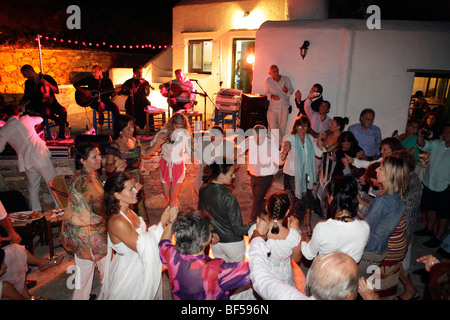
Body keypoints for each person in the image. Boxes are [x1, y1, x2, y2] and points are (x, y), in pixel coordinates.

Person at [99, 172, 177, 300]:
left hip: (140, 263)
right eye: (131, 189)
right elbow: (144, 246)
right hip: (128, 271)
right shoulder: (118, 222)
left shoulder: (130, 212)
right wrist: (164, 223)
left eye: (135, 187)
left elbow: (144, 238)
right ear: (117, 195)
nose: (136, 191)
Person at [248, 218, 360, 300]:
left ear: (309, 282)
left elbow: (261, 280)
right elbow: (296, 258)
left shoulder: (289, 297)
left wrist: (257, 238)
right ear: (349, 296)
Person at [159, 208, 251, 300]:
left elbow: (163, 242)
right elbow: (255, 270)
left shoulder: (172, 256)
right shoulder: (217, 269)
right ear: (204, 241)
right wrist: (257, 238)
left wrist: (171, 221)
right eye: (210, 230)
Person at [59, 143, 107, 300]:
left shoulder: (86, 175)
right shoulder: (87, 180)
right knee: (107, 275)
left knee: (85, 278)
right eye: (94, 156)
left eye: (99, 155)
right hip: (90, 236)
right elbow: (100, 206)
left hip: (82, 234)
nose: (99, 158)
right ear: (82, 160)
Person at [233, 192, 302, 300]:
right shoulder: (293, 236)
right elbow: (297, 258)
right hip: (283, 280)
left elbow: (253, 252)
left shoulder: (256, 230)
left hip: (262, 273)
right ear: (287, 212)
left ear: (266, 208)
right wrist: (296, 230)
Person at [104, 114, 167, 224]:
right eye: (128, 128)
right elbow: (108, 168)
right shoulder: (114, 147)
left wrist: (157, 144)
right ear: (120, 129)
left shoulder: (135, 142)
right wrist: (115, 165)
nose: (131, 130)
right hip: (123, 183)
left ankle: (143, 229)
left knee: (140, 207)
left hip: (136, 180)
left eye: (132, 127)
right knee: (125, 209)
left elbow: (146, 153)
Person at [0, 104, 58, 211]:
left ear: (6, 115)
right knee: (53, 184)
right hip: (39, 155)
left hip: (26, 161)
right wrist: (24, 114)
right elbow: (40, 119)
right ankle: (60, 210)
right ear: (18, 112)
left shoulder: (4, 130)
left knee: (33, 189)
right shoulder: (26, 119)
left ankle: (36, 215)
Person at [358, 157, 410, 279]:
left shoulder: (383, 200)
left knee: (359, 283)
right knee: (369, 280)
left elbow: (365, 226)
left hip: (370, 250)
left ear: (389, 175)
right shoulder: (397, 195)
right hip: (380, 249)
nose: (376, 169)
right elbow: (378, 217)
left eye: (380, 168)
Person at [301, 175, 370, 263]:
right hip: (348, 275)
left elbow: (308, 254)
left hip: (326, 273)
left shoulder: (322, 228)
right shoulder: (365, 228)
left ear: (331, 199)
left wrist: (300, 235)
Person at [198, 160, 251, 262]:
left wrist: (211, 234)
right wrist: (255, 226)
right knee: (236, 274)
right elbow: (238, 229)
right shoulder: (229, 198)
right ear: (221, 175)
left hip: (215, 243)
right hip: (233, 244)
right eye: (231, 174)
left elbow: (202, 216)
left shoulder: (203, 189)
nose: (234, 176)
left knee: (222, 274)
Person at [281, 115, 325, 236]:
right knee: (293, 201)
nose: (302, 128)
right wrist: (285, 148)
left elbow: (319, 154)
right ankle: (290, 224)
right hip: (291, 174)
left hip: (306, 175)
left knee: (307, 200)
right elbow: (286, 145)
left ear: (308, 127)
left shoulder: (309, 138)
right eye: (300, 125)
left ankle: (306, 224)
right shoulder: (290, 138)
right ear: (296, 126)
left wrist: (320, 140)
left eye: (305, 126)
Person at [391, 150, 423, 300]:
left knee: (399, 263)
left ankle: (411, 290)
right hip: (402, 228)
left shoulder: (412, 184)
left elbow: (401, 208)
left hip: (403, 230)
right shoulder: (407, 179)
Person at [237, 125, 282, 223]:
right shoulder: (250, 140)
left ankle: (252, 221)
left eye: (261, 137)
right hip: (253, 175)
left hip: (266, 177)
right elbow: (240, 148)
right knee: (259, 199)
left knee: (257, 199)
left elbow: (279, 162)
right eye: (257, 137)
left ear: (265, 135)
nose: (258, 140)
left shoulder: (270, 144)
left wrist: (283, 155)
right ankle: (272, 213)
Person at [415, 123, 450, 248]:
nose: (445, 134)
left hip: (445, 186)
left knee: (443, 214)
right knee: (430, 208)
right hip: (430, 182)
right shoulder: (437, 144)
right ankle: (429, 229)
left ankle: (438, 237)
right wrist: (420, 135)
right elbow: (421, 144)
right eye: (445, 131)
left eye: (448, 132)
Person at [150, 113, 192, 208]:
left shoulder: (185, 134)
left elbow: (189, 150)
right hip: (165, 164)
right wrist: (158, 143)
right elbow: (153, 145)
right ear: (172, 124)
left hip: (178, 165)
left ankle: (173, 218)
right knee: (167, 196)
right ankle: (176, 211)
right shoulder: (163, 132)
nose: (179, 129)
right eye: (177, 127)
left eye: (181, 127)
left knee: (173, 197)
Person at [19, 64, 67, 139]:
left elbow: (56, 91)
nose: (25, 77)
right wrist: (21, 104)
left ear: (30, 71)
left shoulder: (47, 78)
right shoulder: (28, 83)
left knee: (63, 110)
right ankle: (59, 121)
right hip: (39, 104)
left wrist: (47, 84)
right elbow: (27, 96)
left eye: (25, 74)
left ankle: (62, 135)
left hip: (52, 102)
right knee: (45, 111)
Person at [193, 126, 236, 195]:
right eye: (213, 139)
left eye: (219, 140)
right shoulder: (202, 143)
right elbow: (195, 157)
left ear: (223, 136)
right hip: (205, 177)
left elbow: (233, 164)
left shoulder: (229, 145)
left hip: (221, 179)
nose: (216, 143)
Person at [264, 65, 294, 146]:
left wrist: (286, 90)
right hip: (273, 107)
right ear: (270, 73)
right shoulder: (268, 80)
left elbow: (291, 90)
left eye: (277, 70)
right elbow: (266, 92)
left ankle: (278, 147)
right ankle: (279, 145)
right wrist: (272, 96)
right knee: (273, 128)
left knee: (282, 128)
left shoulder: (286, 79)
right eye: (274, 71)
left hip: (284, 107)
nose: (276, 73)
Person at [118, 65, 153, 130]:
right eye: (138, 72)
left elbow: (147, 94)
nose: (140, 74)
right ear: (134, 73)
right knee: (130, 106)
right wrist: (131, 92)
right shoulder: (130, 81)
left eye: (141, 72)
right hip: (132, 100)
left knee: (147, 105)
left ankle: (150, 128)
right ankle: (130, 127)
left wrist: (146, 89)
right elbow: (122, 91)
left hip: (142, 101)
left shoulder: (145, 82)